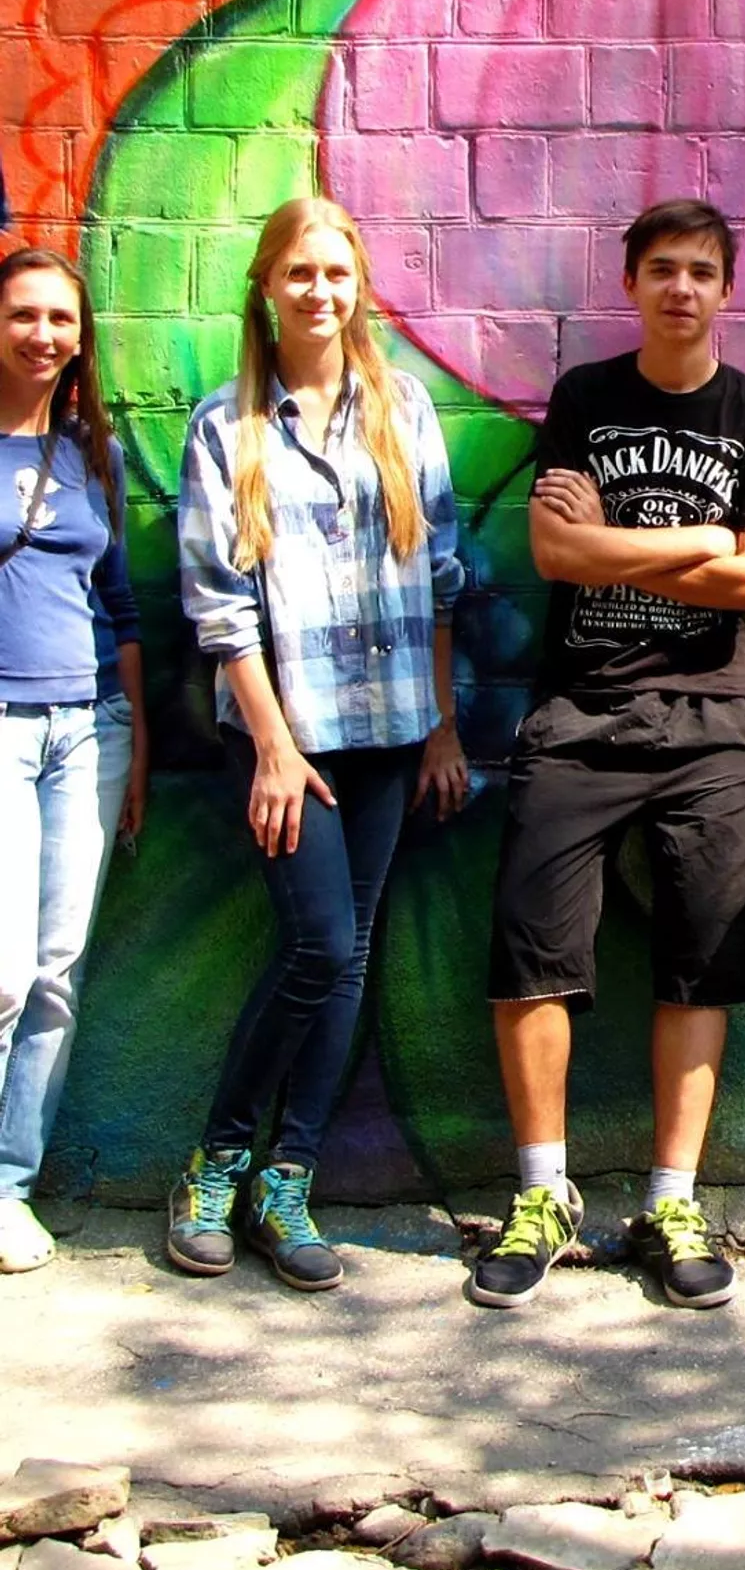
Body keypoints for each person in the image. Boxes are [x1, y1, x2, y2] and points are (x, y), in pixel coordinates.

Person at [468, 199, 745, 1313]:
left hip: (718, 716)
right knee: (531, 949)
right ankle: (542, 1194)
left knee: (703, 958)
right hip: (582, 711)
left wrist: (616, 545)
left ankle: (671, 1201)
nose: (681, 288)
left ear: (726, 289)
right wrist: (697, 539)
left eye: (701, 271)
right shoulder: (585, 399)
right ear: (631, 282)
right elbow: (552, 554)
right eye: (662, 269)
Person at [168, 197, 467, 1291]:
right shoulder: (226, 427)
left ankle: (285, 1182)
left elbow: (441, 574)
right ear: (266, 284)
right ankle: (215, 1163)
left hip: (390, 727)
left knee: (351, 951)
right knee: (317, 949)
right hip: (289, 736)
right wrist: (272, 747)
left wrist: (442, 726)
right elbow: (219, 608)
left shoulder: (403, 411)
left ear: (359, 288)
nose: (319, 291)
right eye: (299, 272)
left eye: (337, 273)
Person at [0, 249, 146, 1273]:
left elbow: (121, 606)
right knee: (4, 975)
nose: (44, 334)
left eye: (62, 319)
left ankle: (10, 1184)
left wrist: (136, 749)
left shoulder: (96, 455)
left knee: (56, 976)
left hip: (90, 730)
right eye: (23, 314)